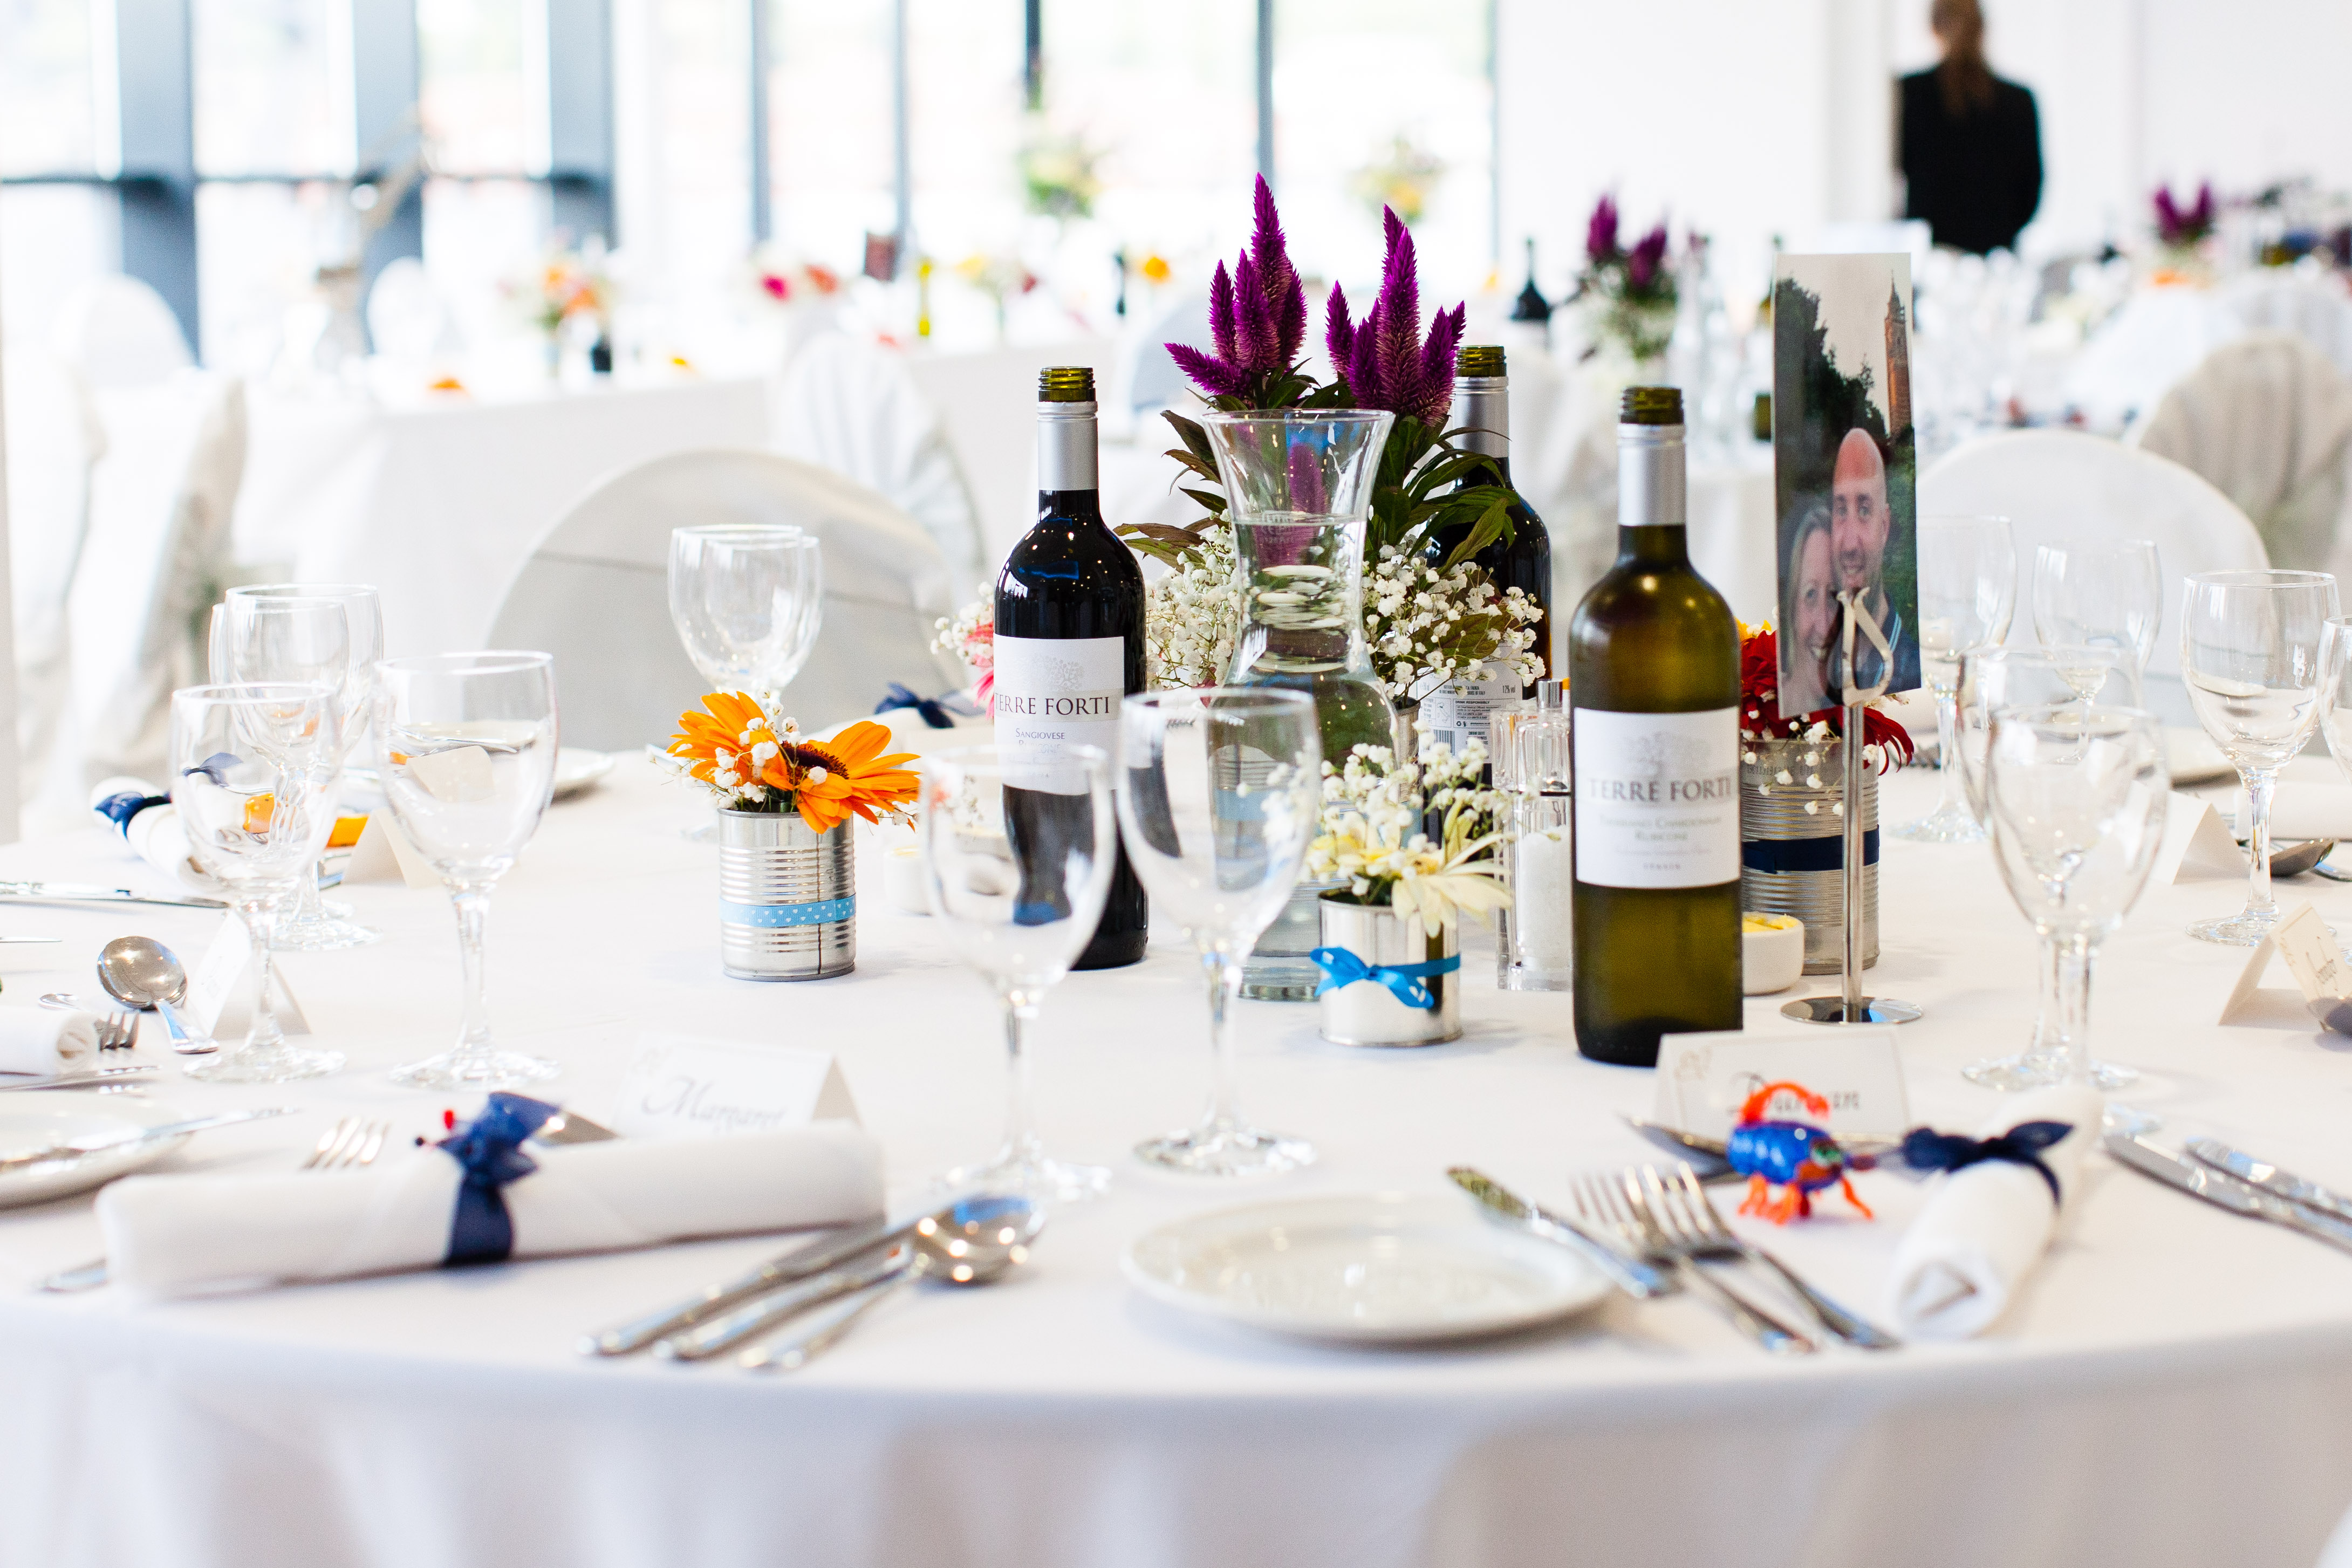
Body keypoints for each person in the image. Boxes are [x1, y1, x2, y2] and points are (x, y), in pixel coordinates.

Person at [1897, 0, 2042, 255]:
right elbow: (2031, 188)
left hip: (1930, 254)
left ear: (1933, 28)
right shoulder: (2019, 100)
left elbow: (1899, 168)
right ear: (1983, 28)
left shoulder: (1909, 93)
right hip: (1997, 255)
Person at [1825, 428, 1920, 696]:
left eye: (1865, 510)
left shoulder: (1911, 667)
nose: (1850, 544)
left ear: (1885, 527)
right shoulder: (1817, 663)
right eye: (1841, 510)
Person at [1777, 501, 1838, 716]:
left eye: (1834, 596)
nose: (1824, 625)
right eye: (1810, 594)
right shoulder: (1764, 712)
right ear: (1792, 609)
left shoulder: (1854, 711)